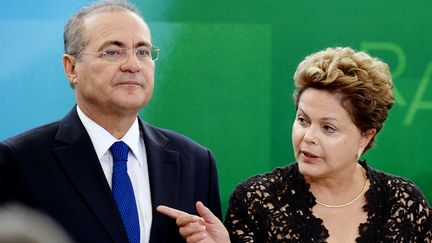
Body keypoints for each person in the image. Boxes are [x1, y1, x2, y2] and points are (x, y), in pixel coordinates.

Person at [157, 47, 432, 242]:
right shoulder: (255, 200)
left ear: (366, 136)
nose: (308, 137)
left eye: (328, 128)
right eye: (302, 120)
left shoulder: (404, 202)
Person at [0, 0, 222, 242]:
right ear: (71, 67)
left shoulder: (196, 162)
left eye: (143, 52)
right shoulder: (19, 161)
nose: (132, 65)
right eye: (113, 52)